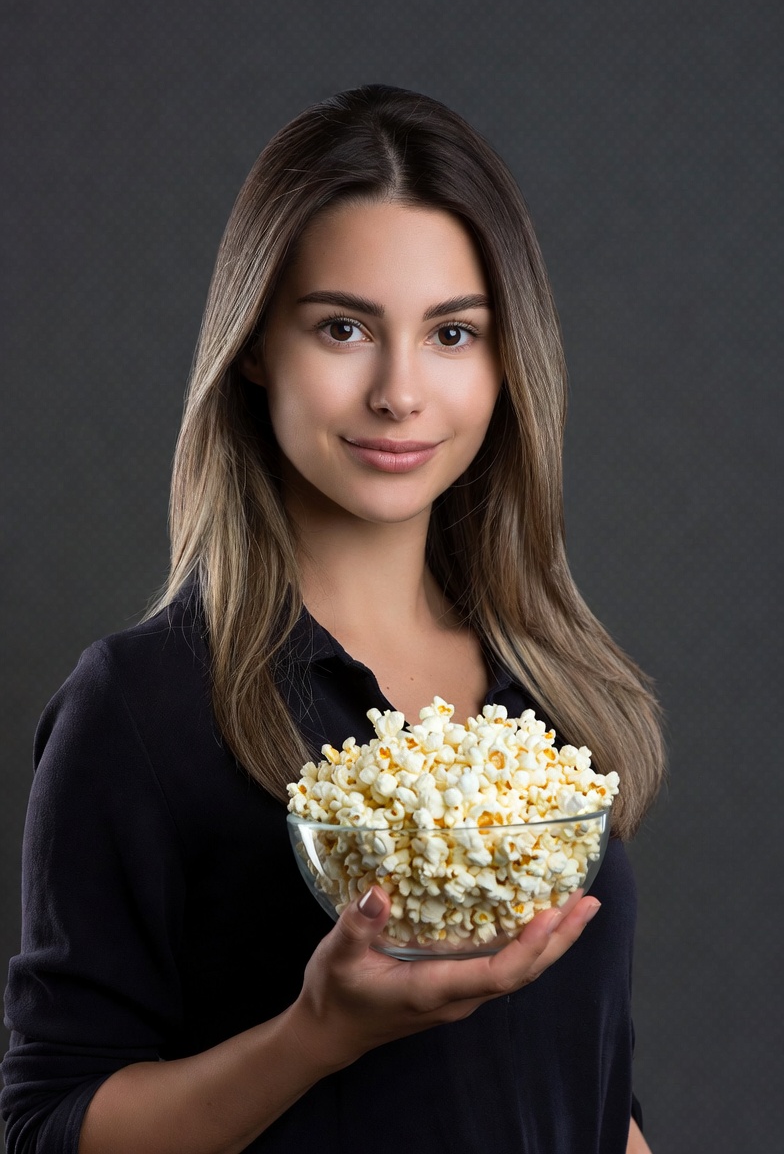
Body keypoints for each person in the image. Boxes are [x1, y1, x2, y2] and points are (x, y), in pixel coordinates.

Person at [2, 84, 664, 1154]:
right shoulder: (143, 704)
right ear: (256, 344)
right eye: (344, 327)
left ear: (508, 364)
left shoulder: (547, 703)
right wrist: (319, 1031)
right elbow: (48, 1128)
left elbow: (581, 1088)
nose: (399, 391)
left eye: (452, 333)